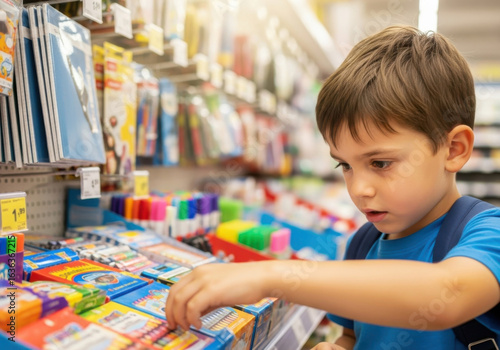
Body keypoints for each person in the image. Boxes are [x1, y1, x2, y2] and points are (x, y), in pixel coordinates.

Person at [164, 25, 500, 349]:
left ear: (454, 149)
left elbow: (447, 295)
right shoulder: (363, 243)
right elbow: (352, 336)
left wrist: (271, 276)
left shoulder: (488, 232)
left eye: (380, 163)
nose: (359, 189)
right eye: (345, 166)